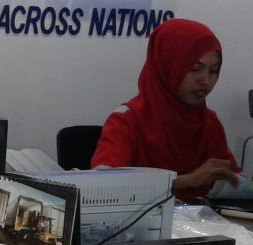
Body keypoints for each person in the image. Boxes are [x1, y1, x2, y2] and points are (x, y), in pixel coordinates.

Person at [90, 18, 239, 201]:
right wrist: (186, 181)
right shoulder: (127, 120)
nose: (205, 80)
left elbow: (230, 176)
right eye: (194, 69)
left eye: (214, 71)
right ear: (166, 66)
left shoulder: (208, 122)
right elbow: (102, 187)